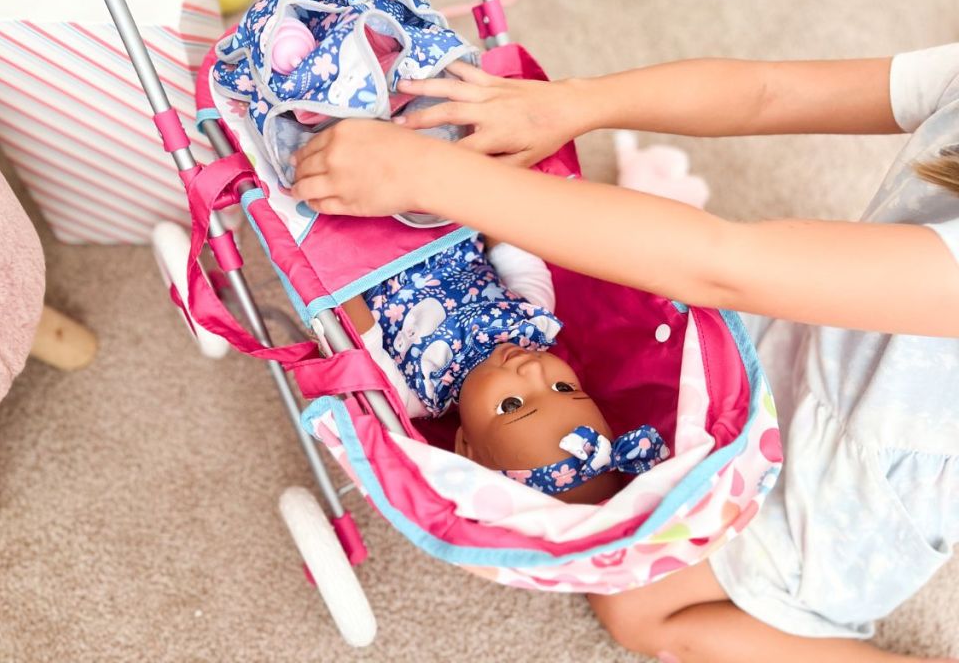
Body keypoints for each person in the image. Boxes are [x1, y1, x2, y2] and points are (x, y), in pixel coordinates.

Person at [289, 47, 959, 662]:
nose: (535, 375)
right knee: (672, 419)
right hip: (817, 343)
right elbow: (769, 91)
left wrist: (429, 177)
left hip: (857, 484)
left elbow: (725, 266)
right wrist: (580, 103)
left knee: (637, 609)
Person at [340, 234, 668, 505]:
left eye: (512, 404)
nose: (531, 371)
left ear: (465, 445)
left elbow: (356, 330)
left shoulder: (411, 394)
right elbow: (507, 239)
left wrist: (333, 260)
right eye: (562, 388)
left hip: (357, 252)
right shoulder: (534, 318)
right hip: (439, 217)